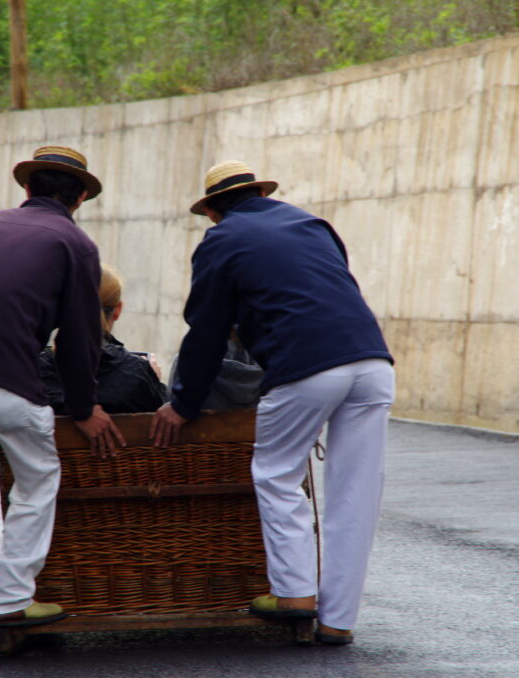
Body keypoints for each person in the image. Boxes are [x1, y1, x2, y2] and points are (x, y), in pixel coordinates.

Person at [150, 160, 395, 646]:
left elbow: (208, 331)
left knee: (276, 472)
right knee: (355, 492)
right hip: (372, 363)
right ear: (260, 194)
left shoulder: (221, 241)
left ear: (214, 212)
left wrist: (183, 403)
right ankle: (337, 620)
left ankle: (295, 594)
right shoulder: (311, 224)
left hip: (306, 368)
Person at [0, 146, 126, 659]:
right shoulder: (74, 242)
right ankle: (11, 598)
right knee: (37, 479)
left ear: (27, 189)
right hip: (6, 377)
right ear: (79, 196)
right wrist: (85, 407)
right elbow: (81, 338)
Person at [39, 264, 169, 415]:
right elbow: (160, 420)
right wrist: (153, 380)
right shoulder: (138, 375)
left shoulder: (33, 371)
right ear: (118, 310)